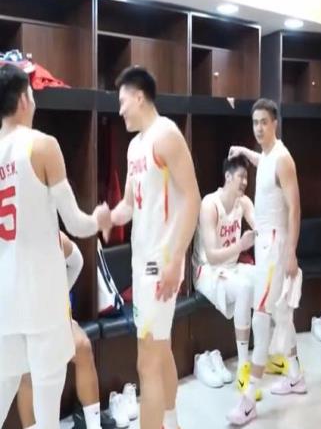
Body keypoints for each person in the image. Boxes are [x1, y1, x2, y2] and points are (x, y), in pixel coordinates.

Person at [0, 64, 108, 428]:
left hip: (4, 299)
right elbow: (76, 223)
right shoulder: (43, 145)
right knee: (47, 405)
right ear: (23, 99)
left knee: (4, 389)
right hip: (41, 298)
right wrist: (101, 218)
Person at [107, 66, 200, 429]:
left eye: (122, 101)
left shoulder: (167, 135)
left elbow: (192, 198)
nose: (119, 110)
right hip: (141, 261)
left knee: (146, 361)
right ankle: (171, 421)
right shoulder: (135, 146)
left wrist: (176, 259)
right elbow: (129, 205)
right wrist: (106, 217)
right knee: (159, 348)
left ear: (139, 96)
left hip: (160, 264)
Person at [226, 98, 304, 426]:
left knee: (261, 318)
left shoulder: (283, 159)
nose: (259, 128)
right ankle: (296, 376)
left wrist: (291, 252)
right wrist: (245, 152)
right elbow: (263, 160)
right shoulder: (268, 156)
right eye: (255, 122)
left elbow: (295, 208)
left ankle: (248, 400)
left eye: (264, 122)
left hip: (275, 246)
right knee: (282, 314)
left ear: (275, 123)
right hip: (264, 245)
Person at [16, 232, 116, 429]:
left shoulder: (54, 237)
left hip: (51, 320)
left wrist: (60, 306)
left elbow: (77, 262)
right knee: (27, 369)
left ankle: (93, 424)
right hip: (18, 324)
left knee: (83, 347)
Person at [192, 155, 257, 385]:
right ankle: (243, 368)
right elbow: (211, 255)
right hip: (207, 271)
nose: (244, 182)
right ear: (228, 176)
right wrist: (240, 246)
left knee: (266, 280)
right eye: (241, 176)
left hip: (231, 267)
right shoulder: (210, 204)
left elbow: (259, 226)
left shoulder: (244, 203)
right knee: (244, 287)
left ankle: (269, 352)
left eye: (247, 177)